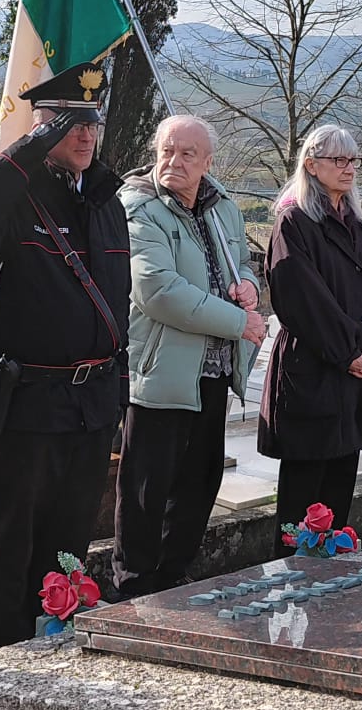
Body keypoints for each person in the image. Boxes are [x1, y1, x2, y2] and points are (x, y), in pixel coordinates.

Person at [0, 62, 130, 649]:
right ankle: (0, 661)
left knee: (71, 541)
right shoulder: (16, 200)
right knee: (11, 543)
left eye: (90, 123)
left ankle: (54, 647)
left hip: (89, 406)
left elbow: (116, 303)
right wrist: (34, 141)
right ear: (41, 127)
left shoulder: (105, 200)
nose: (83, 135)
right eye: (67, 123)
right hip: (24, 404)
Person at [113, 115, 266, 596]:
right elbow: (159, 292)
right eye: (166, 151)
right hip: (164, 370)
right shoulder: (140, 209)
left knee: (200, 481)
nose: (173, 162)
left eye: (186, 154)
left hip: (214, 370)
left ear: (207, 161)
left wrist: (250, 286)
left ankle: (175, 575)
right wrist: (240, 322)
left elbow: (241, 261)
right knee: (147, 487)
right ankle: (135, 584)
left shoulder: (223, 208)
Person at [258, 124, 362, 538]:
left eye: (353, 159)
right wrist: (348, 352)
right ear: (311, 164)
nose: (349, 167)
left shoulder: (356, 222)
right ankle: (291, 581)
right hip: (314, 369)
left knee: (340, 481)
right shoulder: (294, 221)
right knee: (304, 494)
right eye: (338, 159)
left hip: (355, 373)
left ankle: (331, 572)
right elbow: (302, 296)